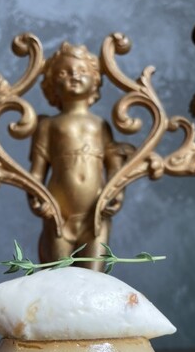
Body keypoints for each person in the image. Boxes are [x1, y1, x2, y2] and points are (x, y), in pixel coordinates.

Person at [29, 42, 129, 269]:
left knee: (94, 278)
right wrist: (36, 199)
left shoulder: (100, 125)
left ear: (95, 80)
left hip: (95, 217)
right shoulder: (47, 126)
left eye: (82, 70)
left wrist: (117, 193)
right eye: (63, 73)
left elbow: (115, 168)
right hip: (58, 217)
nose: (74, 75)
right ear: (52, 84)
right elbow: (36, 174)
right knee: (58, 278)